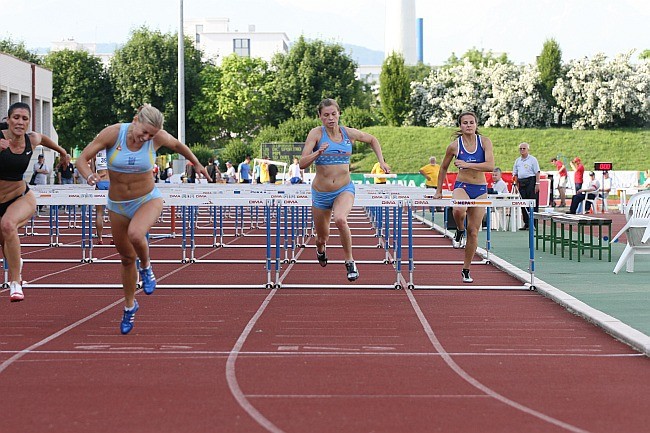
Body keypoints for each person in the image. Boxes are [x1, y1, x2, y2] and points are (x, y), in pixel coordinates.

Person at [76, 104, 210, 334]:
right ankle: (129, 306)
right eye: (144, 132)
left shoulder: (156, 137)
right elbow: (81, 158)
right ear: (135, 119)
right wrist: (89, 175)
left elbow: (178, 146)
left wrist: (196, 163)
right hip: (117, 205)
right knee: (127, 259)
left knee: (136, 234)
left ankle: (147, 268)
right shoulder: (113, 133)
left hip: (147, 199)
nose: (146, 137)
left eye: (151, 134)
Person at [300, 98, 390, 282]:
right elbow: (302, 163)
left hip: (344, 188)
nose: (331, 118)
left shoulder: (347, 133)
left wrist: (381, 161)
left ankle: (349, 261)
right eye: (326, 115)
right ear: (320, 117)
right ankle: (321, 249)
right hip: (321, 193)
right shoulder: (316, 134)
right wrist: (318, 153)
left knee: (340, 219)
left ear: (339, 114)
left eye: (334, 114)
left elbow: (372, 139)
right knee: (321, 237)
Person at [0, 102, 68, 301]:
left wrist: (62, 151)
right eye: (16, 118)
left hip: (20, 197)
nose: (20, 122)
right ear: (8, 120)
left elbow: (45, 139)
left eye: (25, 118)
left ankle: (16, 282)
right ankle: (14, 260)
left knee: (8, 225)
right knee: (4, 240)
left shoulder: (31, 139)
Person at [434, 111, 494, 283]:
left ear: (476, 125)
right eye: (465, 123)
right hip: (463, 186)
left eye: (471, 122)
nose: (468, 125)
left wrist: (467, 164)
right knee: (459, 209)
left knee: (474, 232)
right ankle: (459, 228)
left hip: (480, 188)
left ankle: (466, 269)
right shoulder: (454, 146)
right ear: (460, 126)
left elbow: (490, 166)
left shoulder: (484, 142)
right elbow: (443, 168)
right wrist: (438, 190)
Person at [512, 142, 540, 230]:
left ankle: (533, 223)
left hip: (531, 181)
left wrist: (537, 184)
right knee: (523, 203)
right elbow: (515, 173)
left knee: (532, 202)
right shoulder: (517, 161)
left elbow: (537, 172)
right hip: (521, 182)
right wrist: (516, 185)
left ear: (528, 149)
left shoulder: (533, 159)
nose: (522, 150)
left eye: (524, 148)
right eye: (520, 149)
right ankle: (526, 223)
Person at [94, 148, 110, 244]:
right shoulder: (114, 151)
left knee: (99, 213)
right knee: (114, 213)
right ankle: (114, 238)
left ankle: (100, 238)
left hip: (100, 182)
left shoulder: (95, 153)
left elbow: (92, 171)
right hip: (111, 182)